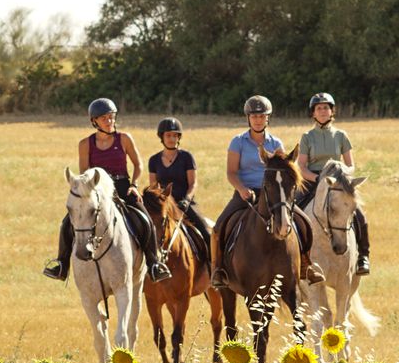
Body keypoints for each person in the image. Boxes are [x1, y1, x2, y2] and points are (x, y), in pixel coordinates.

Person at [43, 98, 169, 282]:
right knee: (66, 223)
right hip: (98, 190)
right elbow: (85, 174)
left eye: (112, 117)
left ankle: (154, 264)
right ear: (94, 121)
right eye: (105, 118)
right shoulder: (85, 144)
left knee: (145, 220)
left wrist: (134, 185)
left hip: (124, 187)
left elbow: (138, 165)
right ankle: (62, 265)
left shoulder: (124, 138)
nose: (110, 121)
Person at [209, 95, 324, 287]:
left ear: (267, 118)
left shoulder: (275, 143)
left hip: (274, 194)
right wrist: (242, 189)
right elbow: (231, 172)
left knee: (304, 223)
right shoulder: (237, 142)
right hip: (245, 193)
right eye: (254, 116)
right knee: (218, 228)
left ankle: (305, 264)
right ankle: (218, 270)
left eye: (262, 116)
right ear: (248, 118)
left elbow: (287, 171)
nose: (258, 120)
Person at [295, 92, 372, 275]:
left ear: (332, 111)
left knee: (359, 214)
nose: (322, 111)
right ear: (313, 113)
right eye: (319, 108)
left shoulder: (341, 136)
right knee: (293, 212)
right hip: (313, 180)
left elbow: (351, 164)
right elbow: (301, 166)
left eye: (326, 108)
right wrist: (318, 179)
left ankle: (363, 257)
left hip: (338, 180)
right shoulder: (307, 137)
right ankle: (299, 258)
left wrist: (344, 175)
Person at [147, 116, 211, 247]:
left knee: (206, 232)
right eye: (168, 135)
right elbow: (154, 187)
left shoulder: (186, 157)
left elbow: (193, 183)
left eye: (175, 136)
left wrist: (187, 200)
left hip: (184, 203)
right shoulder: (153, 160)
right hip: (164, 204)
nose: (172, 139)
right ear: (162, 137)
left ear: (179, 137)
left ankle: (214, 263)